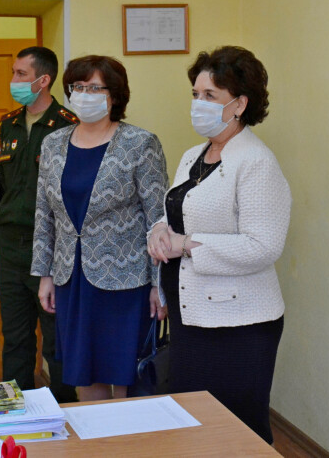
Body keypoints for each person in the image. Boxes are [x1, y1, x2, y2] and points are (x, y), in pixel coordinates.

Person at [147, 45, 291, 443]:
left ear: (240, 104)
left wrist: (185, 244)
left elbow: (263, 246)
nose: (198, 104)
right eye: (196, 94)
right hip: (191, 316)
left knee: (236, 433)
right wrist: (158, 230)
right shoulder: (194, 154)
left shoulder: (256, 161)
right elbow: (177, 210)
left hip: (238, 324)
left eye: (210, 95)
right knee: (193, 427)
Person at [31, 55, 168, 401]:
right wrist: (45, 275)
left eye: (94, 88)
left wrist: (159, 284)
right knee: (84, 373)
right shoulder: (53, 144)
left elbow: (158, 219)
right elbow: (45, 215)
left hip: (126, 281)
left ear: (114, 95)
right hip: (71, 280)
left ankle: (127, 436)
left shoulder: (140, 143)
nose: (83, 95)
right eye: (77, 87)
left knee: (125, 377)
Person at [0, 46, 78, 403]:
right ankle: (17, 412)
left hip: (52, 246)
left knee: (57, 338)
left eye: (21, 74)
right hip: (10, 244)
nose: (13, 80)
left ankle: (64, 411)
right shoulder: (8, 123)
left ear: (43, 80)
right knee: (15, 336)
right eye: (13, 72)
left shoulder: (69, 125)